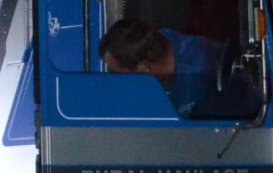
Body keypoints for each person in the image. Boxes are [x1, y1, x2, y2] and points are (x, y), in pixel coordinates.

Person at [98, 16, 263, 120]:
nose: (118, 82)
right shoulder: (158, 43)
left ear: (144, 69)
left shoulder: (205, 71)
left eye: (119, 75)